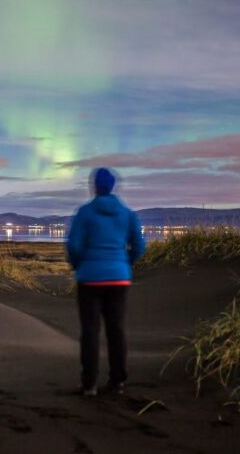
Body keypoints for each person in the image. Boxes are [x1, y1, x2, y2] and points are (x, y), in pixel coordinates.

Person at [66, 167, 146, 396]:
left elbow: (74, 246)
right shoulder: (128, 214)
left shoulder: (85, 212)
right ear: (112, 186)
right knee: (117, 330)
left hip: (89, 279)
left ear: (94, 186)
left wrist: (78, 265)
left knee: (90, 332)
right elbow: (139, 245)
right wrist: (124, 263)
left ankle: (89, 383)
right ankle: (118, 381)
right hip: (118, 279)